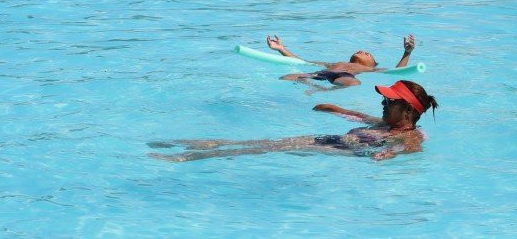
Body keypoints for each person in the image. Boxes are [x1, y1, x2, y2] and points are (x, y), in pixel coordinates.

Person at [147, 79, 438, 162]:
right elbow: (361, 116)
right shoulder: (386, 123)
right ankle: (197, 144)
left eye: (389, 101)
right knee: (265, 143)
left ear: (409, 111)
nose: (383, 103)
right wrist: (335, 108)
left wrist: (388, 154)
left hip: (341, 150)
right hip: (329, 139)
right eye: (384, 99)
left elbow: (409, 147)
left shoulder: (411, 135)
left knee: (268, 149)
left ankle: (191, 157)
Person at [266, 34, 415, 92]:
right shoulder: (334, 63)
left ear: (372, 64)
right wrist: (281, 48)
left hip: (345, 76)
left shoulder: (368, 69)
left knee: (354, 83)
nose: (362, 50)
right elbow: (303, 61)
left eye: (367, 54)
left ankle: (322, 89)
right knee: (286, 77)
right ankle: (312, 85)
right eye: (361, 50)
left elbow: (396, 73)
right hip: (321, 74)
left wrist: (406, 53)